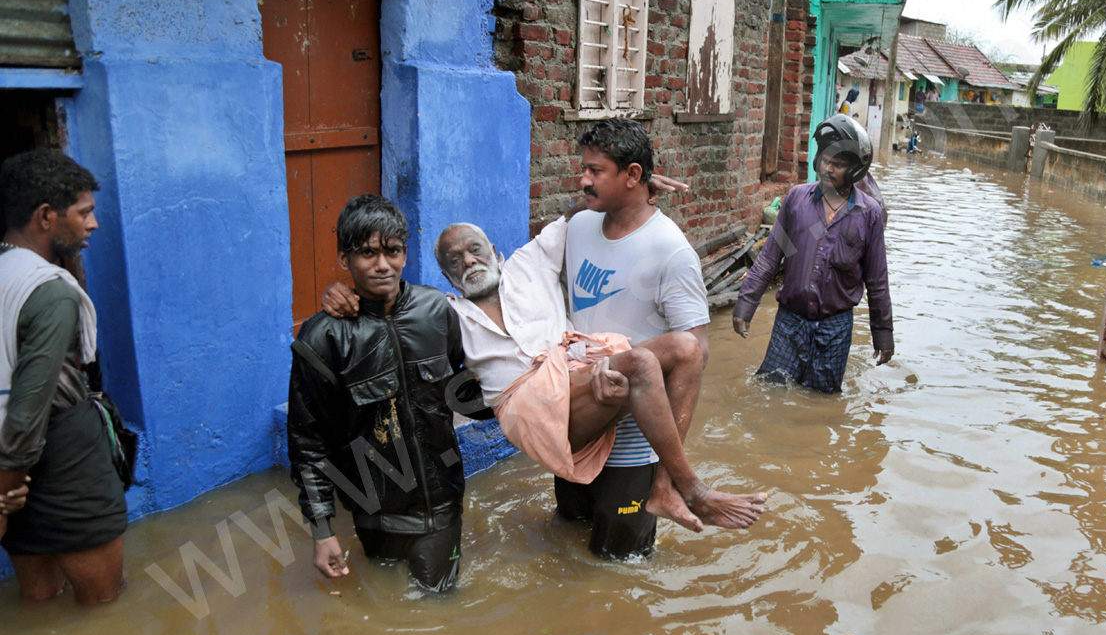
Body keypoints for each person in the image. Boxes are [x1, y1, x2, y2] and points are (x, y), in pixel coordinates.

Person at [434, 217, 764, 542]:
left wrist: (638, 181)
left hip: (572, 374)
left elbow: (574, 210)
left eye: (474, 250)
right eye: (454, 260)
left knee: (686, 348)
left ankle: (664, 489)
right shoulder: (448, 315)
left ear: (493, 250)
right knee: (639, 364)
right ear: (447, 275)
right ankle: (693, 490)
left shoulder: (528, 263)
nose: (468, 261)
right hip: (527, 406)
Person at [561, 118, 766, 557]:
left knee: (619, 570)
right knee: (565, 541)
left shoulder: (670, 251)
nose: (583, 180)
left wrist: (665, 474)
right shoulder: (578, 226)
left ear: (632, 175)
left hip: (634, 447)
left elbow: (696, 354)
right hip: (578, 428)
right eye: (585, 168)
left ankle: (671, 488)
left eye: (596, 171)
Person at [288, 194, 483, 592]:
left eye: (392, 251)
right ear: (345, 259)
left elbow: (463, 391)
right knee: (382, 599)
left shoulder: (436, 311)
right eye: (367, 253)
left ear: (405, 253)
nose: (382, 265)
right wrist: (322, 530)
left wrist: (522, 391)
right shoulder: (324, 337)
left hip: (441, 504)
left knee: (437, 606)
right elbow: (308, 440)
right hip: (372, 514)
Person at [0, 149, 127, 604]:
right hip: (57, 459)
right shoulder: (49, 292)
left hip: (12, 469)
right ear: (47, 216)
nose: (92, 224)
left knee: (37, 599)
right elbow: (29, 407)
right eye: (85, 212)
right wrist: (6, 490)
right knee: (104, 607)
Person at [732, 113, 894, 393]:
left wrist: (883, 334)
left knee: (821, 404)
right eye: (825, 160)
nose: (828, 169)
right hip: (788, 323)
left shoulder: (869, 215)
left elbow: (877, 281)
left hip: (835, 328)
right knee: (769, 394)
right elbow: (770, 258)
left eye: (838, 164)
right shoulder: (796, 200)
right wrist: (746, 305)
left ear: (855, 170)